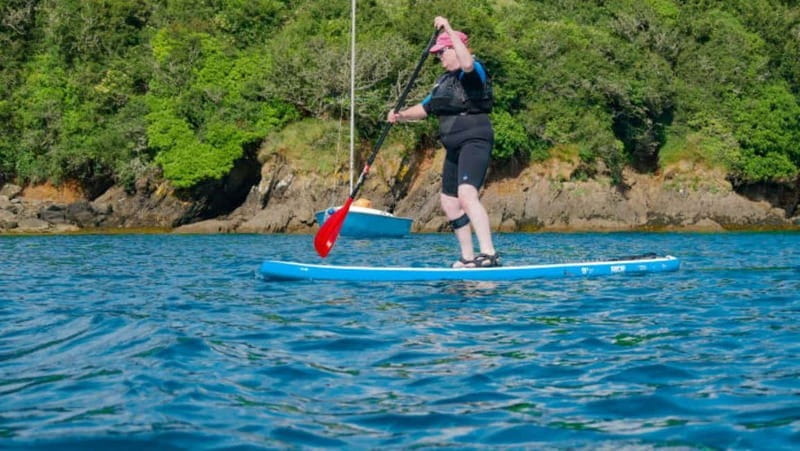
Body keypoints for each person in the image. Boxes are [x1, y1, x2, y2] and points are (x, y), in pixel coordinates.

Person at [387, 16, 499, 268]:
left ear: (454, 48)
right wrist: (401, 115)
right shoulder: (443, 82)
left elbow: (467, 62)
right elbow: (426, 108)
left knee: (467, 195)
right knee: (449, 202)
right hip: (453, 145)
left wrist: (449, 29)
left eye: (442, 52)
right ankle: (468, 258)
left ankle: (489, 254)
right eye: (437, 54)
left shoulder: (474, 70)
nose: (440, 58)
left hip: (475, 137)